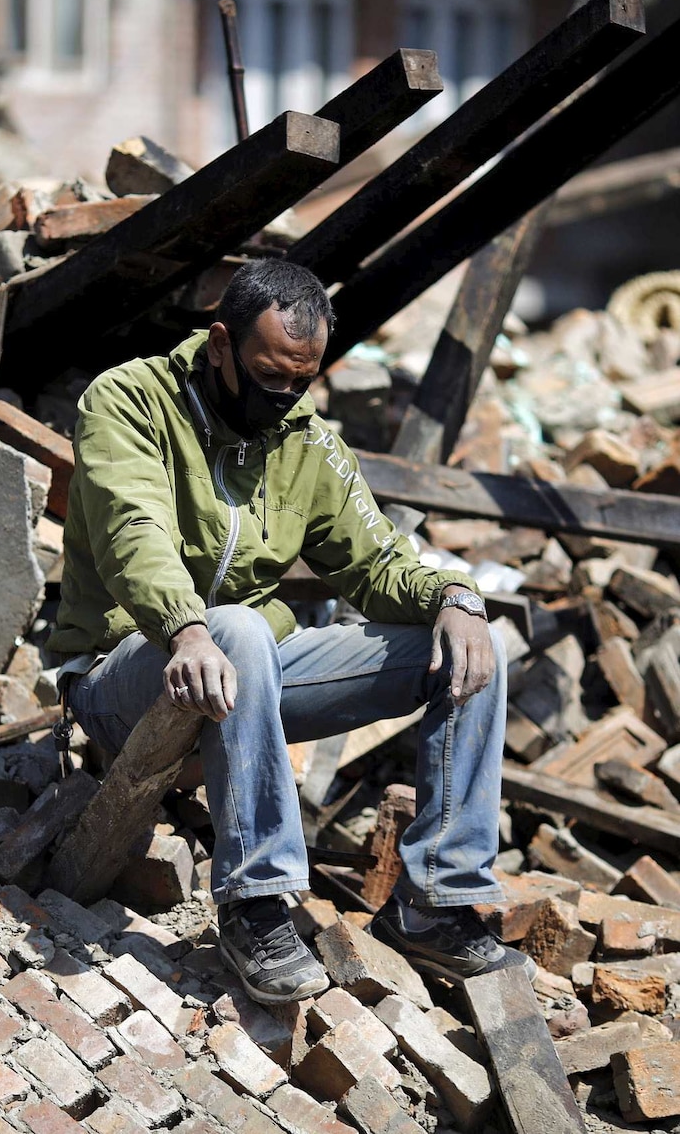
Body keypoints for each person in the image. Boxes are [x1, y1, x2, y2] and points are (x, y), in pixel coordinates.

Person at [49, 258, 534, 1005]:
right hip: (126, 675)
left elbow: (378, 563)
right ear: (220, 344)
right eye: (268, 378)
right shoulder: (130, 402)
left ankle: (435, 903)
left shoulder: (307, 441)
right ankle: (254, 905)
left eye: (300, 383)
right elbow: (130, 531)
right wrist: (186, 629)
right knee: (236, 627)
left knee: (473, 645)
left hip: (245, 672)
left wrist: (455, 594)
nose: (283, 401)